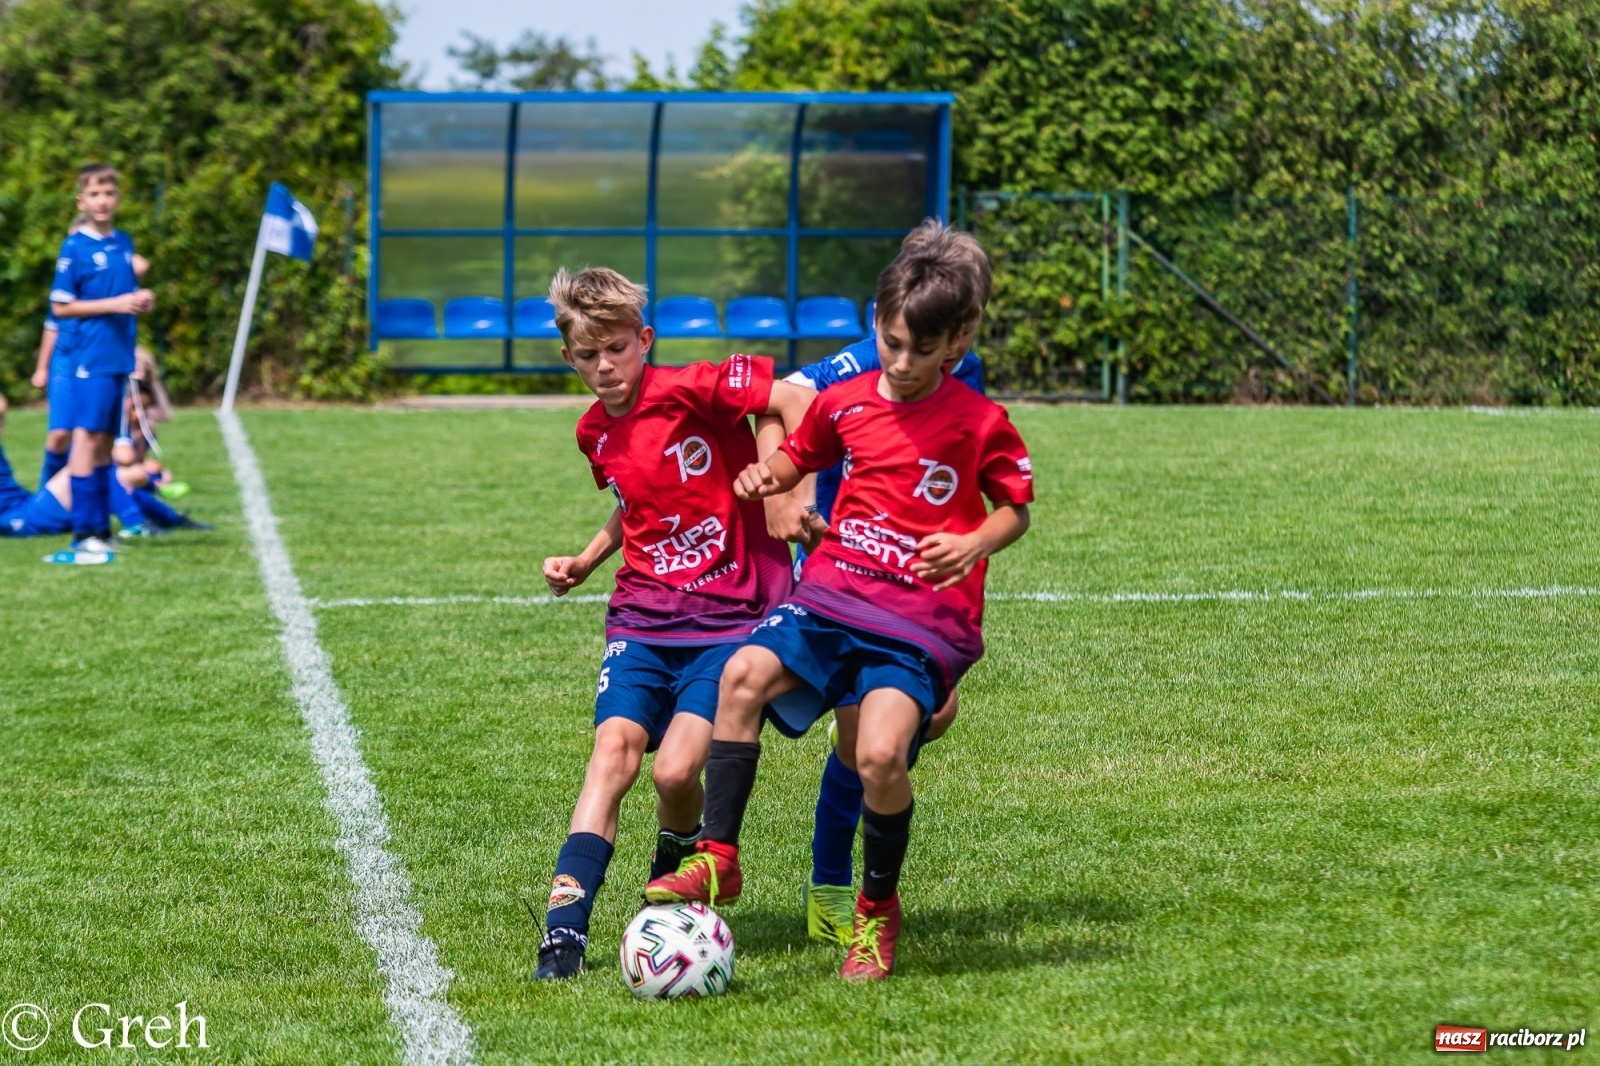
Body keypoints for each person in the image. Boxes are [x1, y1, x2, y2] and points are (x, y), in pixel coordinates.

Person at [645, 239, 1035, 983]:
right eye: (890, 342)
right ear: (876, 322)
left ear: (960, 338)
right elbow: (799, 441)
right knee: (741, 673)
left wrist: (971, 541)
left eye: (920, 350)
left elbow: (1014, 508)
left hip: (916, 616)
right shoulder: (847, 389)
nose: (900, 362)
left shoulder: (979, 416)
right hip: (833, 596)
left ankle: (872, 911)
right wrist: (774, 478)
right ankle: (718, 858)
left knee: (880, 754)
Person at [532, 266, 814, 981]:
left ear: (644, 340)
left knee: (676, 770)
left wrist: (780, 480)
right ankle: (563, 935)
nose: (605, 366)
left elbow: (796, 399)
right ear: (569, 357)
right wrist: (589, 558)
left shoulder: (692, 385)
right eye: (589, 354)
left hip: (729, 621)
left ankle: (677, 852)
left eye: (618, 349)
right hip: (641, 617)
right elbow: (639, 504)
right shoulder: (593, 433)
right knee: (613, 754)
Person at [777, 222, 995, 944]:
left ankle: (846, 883)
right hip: (847, 573)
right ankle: (833, 889)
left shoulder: (963, 371)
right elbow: (785, 397)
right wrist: (793, 497)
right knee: (861, 743)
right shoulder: (862, 360)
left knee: (919, 724)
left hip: (915, 586)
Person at [48, 163, 155, 565]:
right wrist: (116, 304)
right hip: (88, 361)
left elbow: (124, 293)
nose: (102, 201)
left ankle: (101, 530)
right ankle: (83, 531)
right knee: (86, 440)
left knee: (107, 445)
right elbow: (61, 306)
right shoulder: (73, 247)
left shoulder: (123, 242)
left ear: (118, 198)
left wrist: (142, 299)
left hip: (117, 359)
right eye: (93, 194)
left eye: (108, 193)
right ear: (82, 201)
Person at [0, 395, 207, 542]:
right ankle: (141, 521)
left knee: (108, 472)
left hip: (27, 505)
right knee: (98, 469)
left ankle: (169, 519)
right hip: (19, 519)